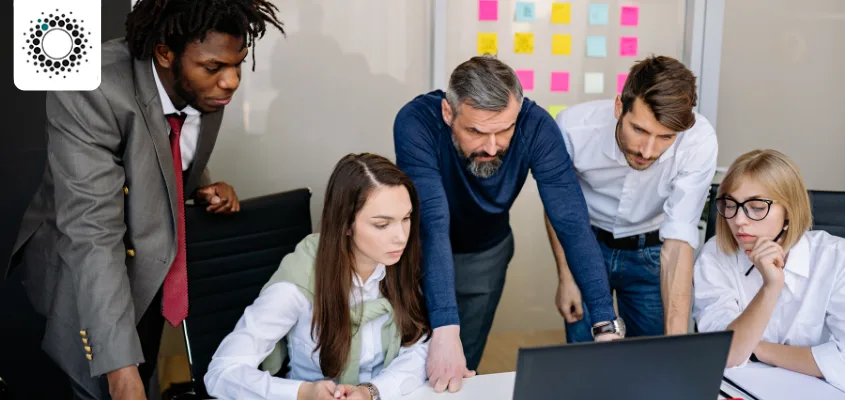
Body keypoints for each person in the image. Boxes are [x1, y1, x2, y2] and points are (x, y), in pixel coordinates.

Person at [8, 1, 284, 398]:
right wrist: (120, 370)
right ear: (165, 53)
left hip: (153, 272)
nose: (231, 82)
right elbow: (92, 233)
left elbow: (167, 146)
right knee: (101, 385)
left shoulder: (205, 85)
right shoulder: (91, 88)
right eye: (214, 68)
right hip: (85, 277)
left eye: (238, 65)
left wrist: (199, 184)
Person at [393, 55, 622, 393]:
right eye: (476, 131)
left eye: (504, 131)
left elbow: (571, 220)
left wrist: (605, 323)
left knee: (458, 367)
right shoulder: (416, 122)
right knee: (402, 361)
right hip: (413, 252)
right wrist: (444, 326)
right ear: (448, 113)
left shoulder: (536, 126)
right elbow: (433, 221)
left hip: (485, 255)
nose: (492, 146)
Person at [204, 153, 431, 400]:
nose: (401, 236)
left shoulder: (398, 262)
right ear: (345, 224)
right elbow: (221, 373)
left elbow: (421, 347)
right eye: (382, 224)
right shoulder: (298, 283)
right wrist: (302, 393)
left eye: (406, 218)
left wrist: (372, 392)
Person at [546, 55, 717, 342]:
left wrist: (676, 344)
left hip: (652, 252)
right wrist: (566, 276)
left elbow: (679, 239)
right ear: (619, 107)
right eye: (639, 130)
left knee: (651, 357)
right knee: (584, 362)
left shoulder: (698, 141)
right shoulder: (573, 128)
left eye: (665, 137)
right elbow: (560, 209)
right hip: (585, 245)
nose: (648, 151)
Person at [693, 149, 845, 391]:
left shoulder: (837, 258)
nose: (739, 220)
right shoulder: (715, 255)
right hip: (738, 389)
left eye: (755, 207)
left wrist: (760, 349)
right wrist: (770, 287)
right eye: (730, 204)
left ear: (789, 212)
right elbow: (725, 355)